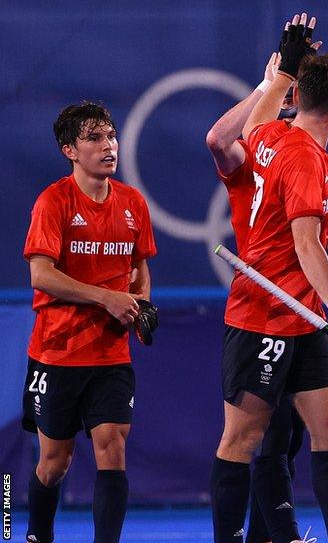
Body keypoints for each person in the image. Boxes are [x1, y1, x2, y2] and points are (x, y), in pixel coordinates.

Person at [209, 13, 328, 543]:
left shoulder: (269, 136)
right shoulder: (303, 159)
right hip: (262, 317)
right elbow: (308, 244)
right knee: (243, 437)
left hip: (306, 323)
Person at [22, 101, 158, 543]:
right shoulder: (53, 201)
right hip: (57, 352)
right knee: (54, 463)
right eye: (94, 139)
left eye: (111, 136)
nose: (108, 146)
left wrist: (140, 304)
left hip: (111, 355)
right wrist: (106, 298)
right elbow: (40, 274)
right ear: (69, 150)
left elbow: (139, 267)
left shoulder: (134, 203)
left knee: (112, 448)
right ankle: (35, 534)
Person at [205, 51, 310, 543]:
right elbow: (219, 139)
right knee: (255, 437)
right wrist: (270, 84)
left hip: (304, 313)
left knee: (288, 438)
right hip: (261, 314)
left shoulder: (312, 156)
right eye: (283, 99)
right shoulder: (253, 157)